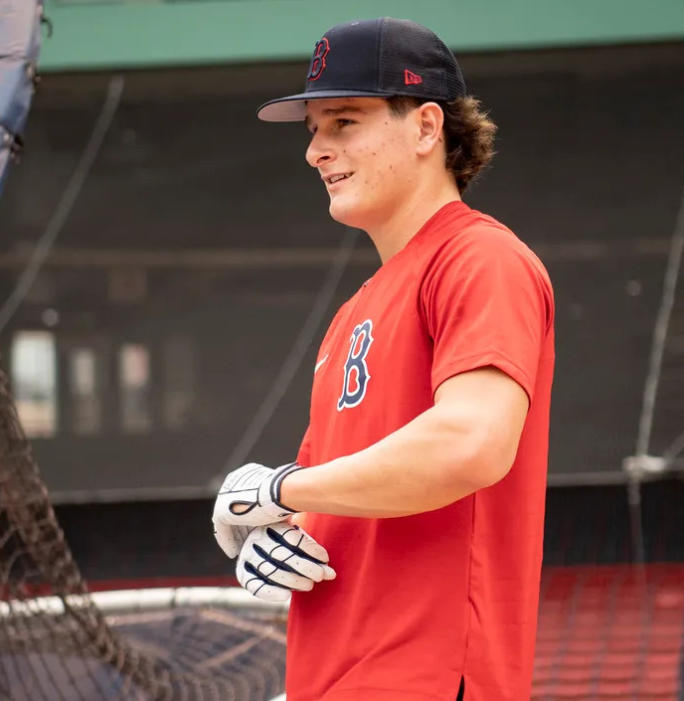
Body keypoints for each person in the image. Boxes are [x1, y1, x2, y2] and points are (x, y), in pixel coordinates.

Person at [211, 17, 555, 701]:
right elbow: (332, 498)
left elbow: (470, 445)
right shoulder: (353, 312)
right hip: (336, 677)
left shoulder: (478, 257)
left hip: (423, 676)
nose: (316, 150)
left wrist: (276, 489)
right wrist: (276, 530)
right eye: (312, 129)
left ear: (427, 128)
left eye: (343, 121)